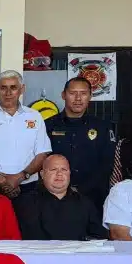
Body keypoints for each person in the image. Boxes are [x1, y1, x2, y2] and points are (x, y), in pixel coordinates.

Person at [44, 77, 115, 208]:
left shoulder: (103, 127)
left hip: (93, 198)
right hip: (54, 196)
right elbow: (43, 161)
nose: (78, 98)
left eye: (83, 93)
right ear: (63, 95)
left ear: (90, 96)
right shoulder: (48, 126)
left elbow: (107, 163)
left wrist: (82, 190)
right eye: (72, 93)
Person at [15, 155, 107, 241]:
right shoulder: (24, 203)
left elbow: (99, 238)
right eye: (53, 169)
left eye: (64, 170)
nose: (59, 174)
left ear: (69, 173)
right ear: (42, 174)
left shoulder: (85, 204)